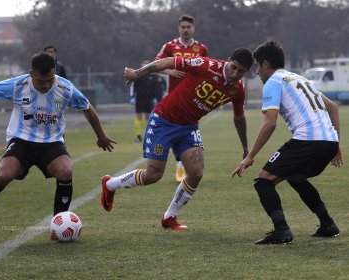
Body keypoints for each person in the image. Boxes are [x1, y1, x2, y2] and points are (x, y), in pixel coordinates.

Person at [101, 48, 253, 230]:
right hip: (163, 121)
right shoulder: (206, 65)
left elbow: (239, 117)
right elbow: (169, 61)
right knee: (153, 176)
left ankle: (170, 216)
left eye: (241, 72)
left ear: (246, 72)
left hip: (188, 128)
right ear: (229, 60)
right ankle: (110, 184)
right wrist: (137, 73)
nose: (235, 74)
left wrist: (245, 148)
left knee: (196, 173)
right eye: (233, 67)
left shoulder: (238, 90)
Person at [0, 52, 116, 233]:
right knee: (4, 175)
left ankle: (58, 226)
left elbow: (87, 108)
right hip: (22, 140)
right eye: (40, 81)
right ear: (31, 74)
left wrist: (101, 136)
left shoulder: (65, 88)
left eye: (49, 80)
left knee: (66, 171)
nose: (45, 85)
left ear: (55, 72)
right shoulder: (17, 84)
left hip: (51, 143)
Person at [232, 41, 343, 244]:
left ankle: (281, 230)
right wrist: (337, 146)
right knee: (295, 177)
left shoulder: (274, 81)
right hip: (328, 142)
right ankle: (327, 224)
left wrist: (250, 156)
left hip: (308, 140)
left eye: (257, 66)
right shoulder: (300, 79)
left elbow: (270, 124)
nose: (256, 72)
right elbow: (333, 107)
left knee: (263, 182)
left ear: (266, 64)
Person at [156, 14, 208, 182]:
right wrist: (169, 70)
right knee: (172, 130)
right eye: (183, 27)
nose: (186, 30)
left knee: (189, 130)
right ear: (179, 28)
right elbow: (156, 63)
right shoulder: (170, 46)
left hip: (193, 99)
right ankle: (180, 164)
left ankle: (183, 165)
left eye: (188, 27)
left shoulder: (201, 48)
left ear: (193, 28)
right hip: (173, 98)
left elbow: (206, 69)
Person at [130, 59, 157, 142]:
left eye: (148, 63)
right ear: (141, 64)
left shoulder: (152, 75)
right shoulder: (138, 74)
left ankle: (147, 135)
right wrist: (132, 96)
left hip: (150, 99)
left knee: (148, 117)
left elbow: (154, 88)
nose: (146, 64)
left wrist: (155, 97)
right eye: (144, 63)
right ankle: (138, 135)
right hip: (139, 99)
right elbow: (132, 86)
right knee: (139, 117)